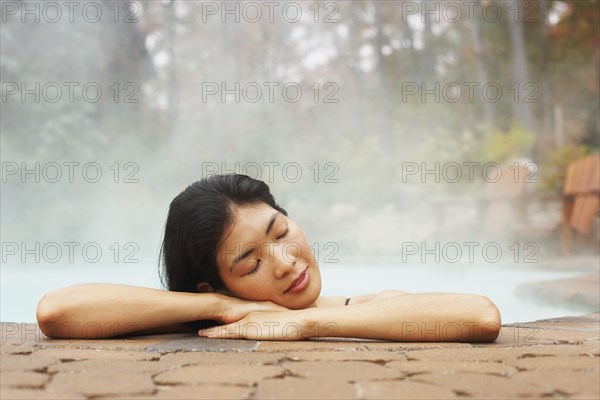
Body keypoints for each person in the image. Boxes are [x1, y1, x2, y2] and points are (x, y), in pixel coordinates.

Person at [36, 174, 501, 342]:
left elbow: (480, 317)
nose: (284, 261)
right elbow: (57, 311)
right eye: (250, 264)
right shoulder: (215, 314)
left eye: (280, 231)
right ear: (214, 284)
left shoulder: (367, 310)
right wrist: (223, 307)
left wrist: (308, 324)